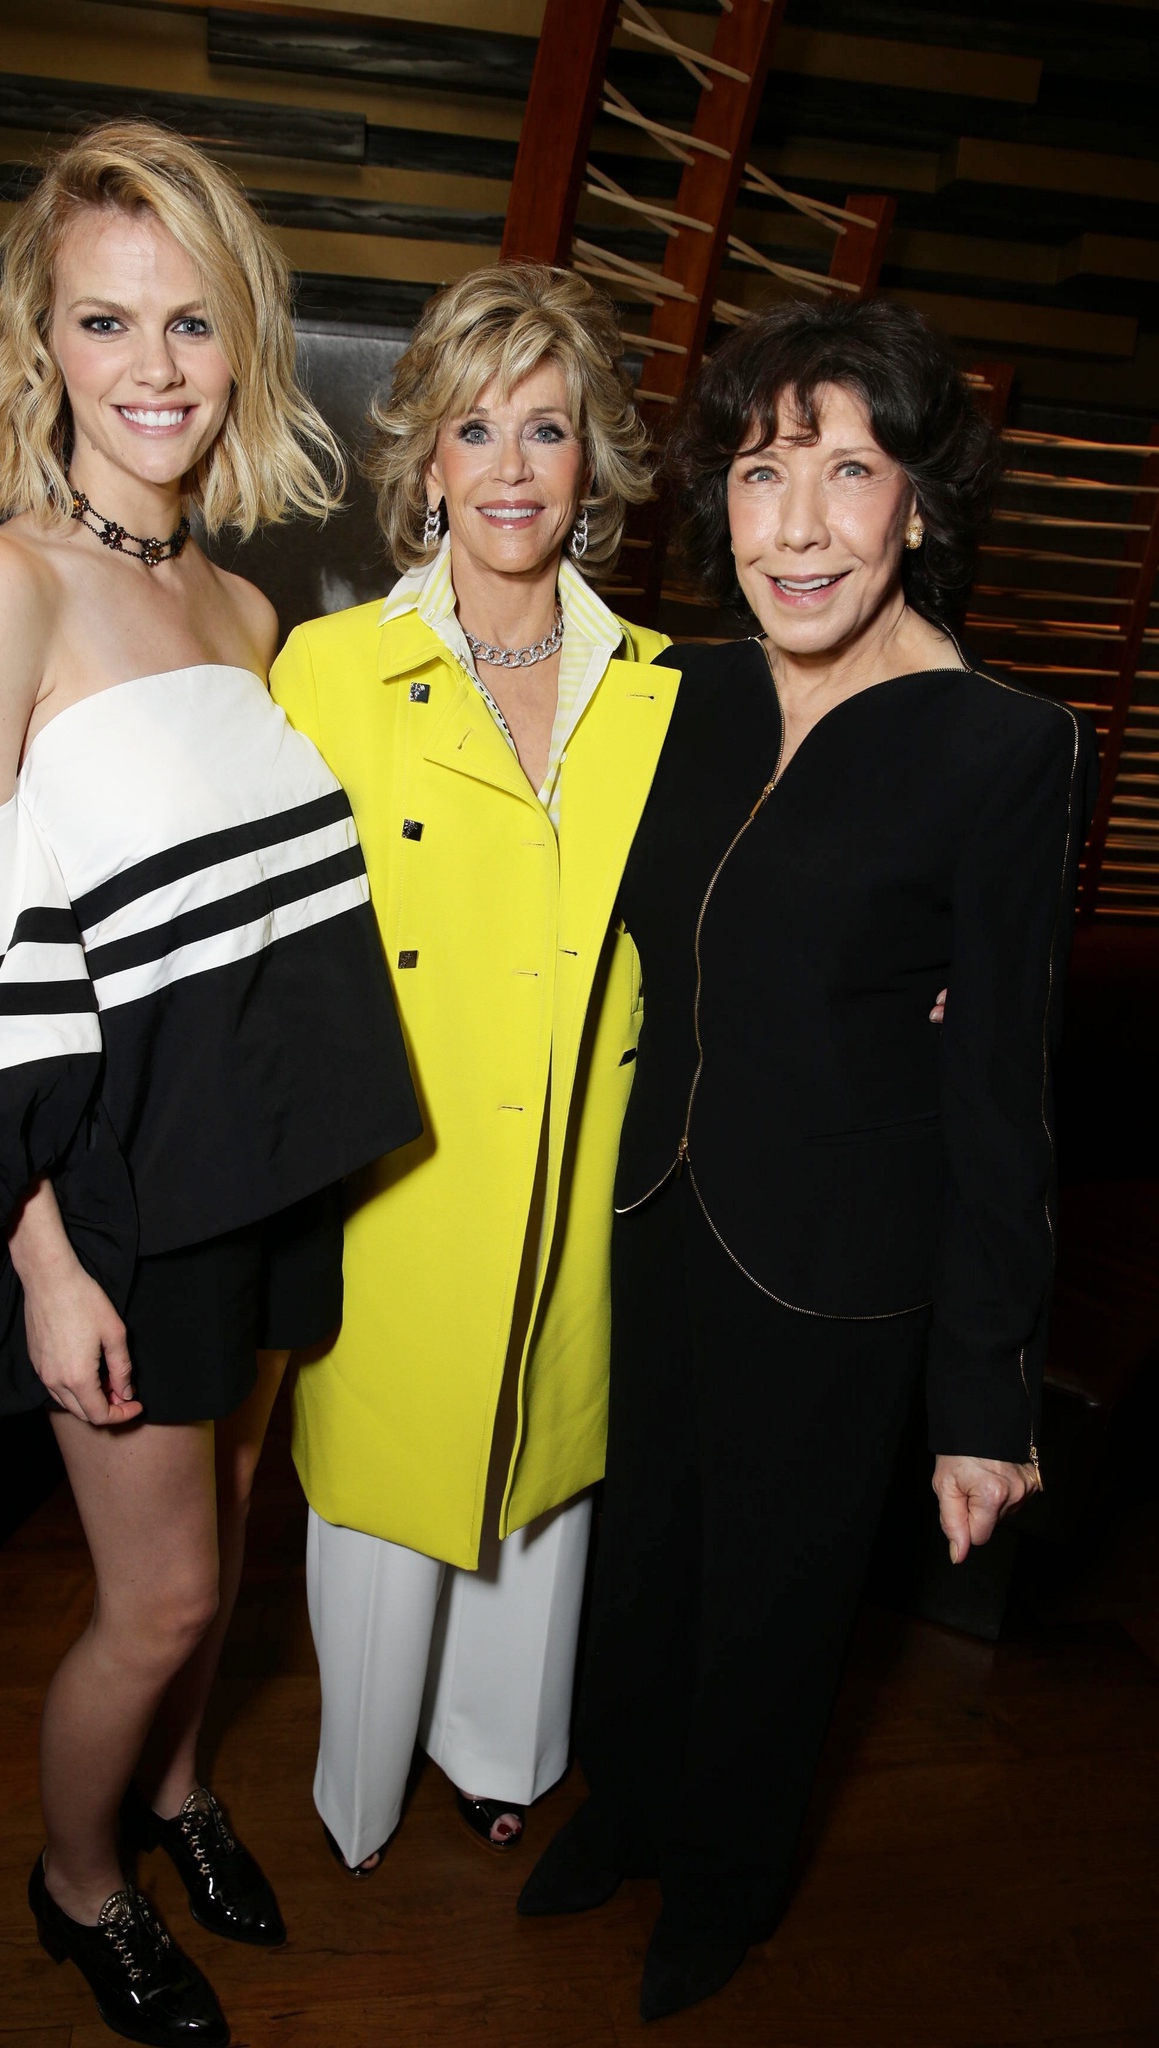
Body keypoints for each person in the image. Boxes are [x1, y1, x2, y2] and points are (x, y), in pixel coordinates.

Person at [0, 122, 417, 2048]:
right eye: (104, 320)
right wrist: (44, 1264)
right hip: (113, 1195)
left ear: (242, 345)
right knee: (151, 1601)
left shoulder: (248, 614)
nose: (152, 363)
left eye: (192, 320)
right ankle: (80, 1890)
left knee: (230, 1548)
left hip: (273, 1166)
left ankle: (174, 1794)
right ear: (38, 345)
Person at [519, 297, 1097, 2021]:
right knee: (644, 1553)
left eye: (848, 472)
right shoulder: (677, 694)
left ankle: (723, 1880)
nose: (794, 525)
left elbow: (1004, 1083)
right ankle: (619, 1806)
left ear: (918, 504)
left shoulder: (1008, 747)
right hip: (657, 1204)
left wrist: (984, 1396)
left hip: (843, 1253)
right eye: (765, 472)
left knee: (775, 1601)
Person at [270, 263, 676, 1874]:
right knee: (382, 1502)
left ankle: (502, 1752)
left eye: (548, 431)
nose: (511, 467)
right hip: (399, 1174)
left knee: (542, 1483)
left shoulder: (659, 692)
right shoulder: (327, 674)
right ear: (424, 460)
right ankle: (357, 1789)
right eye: (475, 429)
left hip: (581, 1158)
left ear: (590, 468)